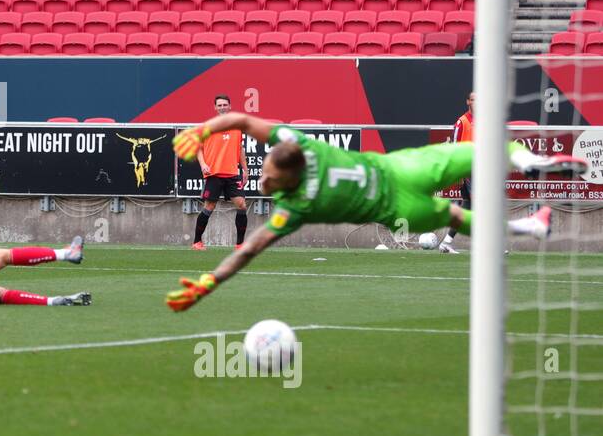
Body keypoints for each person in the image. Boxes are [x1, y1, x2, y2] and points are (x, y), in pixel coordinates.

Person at [164, 113, 587, 312]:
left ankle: (529, 206)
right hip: (401, 169)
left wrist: (209, 282)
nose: (264, 180)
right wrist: (202, 130)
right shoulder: (300, 144)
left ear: (288, 182)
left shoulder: (295, 208)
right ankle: (529, 179)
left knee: (454, 217)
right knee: (472, 162)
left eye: (270, 178)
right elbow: (239, 119)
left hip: (398, 205)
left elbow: (248, 250)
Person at [191, 94, 249, 250]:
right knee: (209, 207)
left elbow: (240, 148)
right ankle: (197, 242)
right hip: (214, 174)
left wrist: (245, 168)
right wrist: (203, 165)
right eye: (220, 105)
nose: (222, 107)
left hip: (232, 174)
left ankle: (240, 245)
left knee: (242, 205)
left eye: (225, 105)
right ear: (215, 108)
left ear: (230, 107)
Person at [439, 91, 474, 253]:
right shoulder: (462, 122)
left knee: (467, 208)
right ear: (468, 101)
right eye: (473, 100)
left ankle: (446, 242)